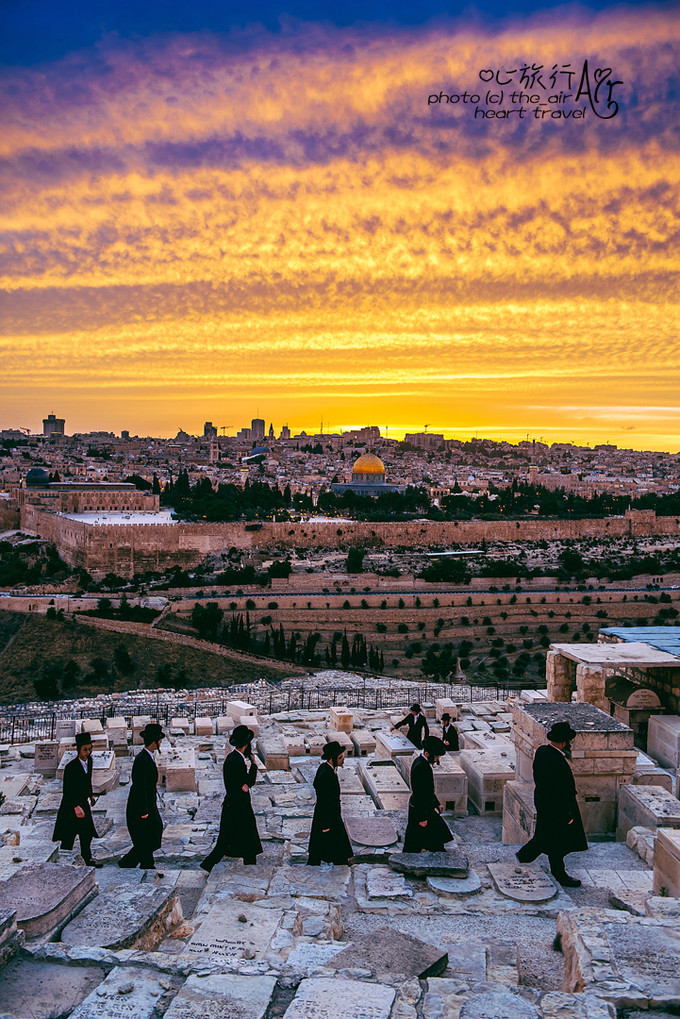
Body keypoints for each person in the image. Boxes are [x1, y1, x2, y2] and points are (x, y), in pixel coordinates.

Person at [516, 720, 587, 887]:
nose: (570, 745)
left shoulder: (543, 751)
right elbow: (557, 791)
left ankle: (523, 857)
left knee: (546, 838)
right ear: (563, 743)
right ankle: (559, 874)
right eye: (569, 742)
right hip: (556, 809)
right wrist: (567, 814)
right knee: (557, 842)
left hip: (545, 804)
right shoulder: (555, 761)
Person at [201, 724, 263, 871]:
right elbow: (247, 783)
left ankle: (249, 867)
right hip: (238, 807)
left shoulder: (232, 757)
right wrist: (254, 765)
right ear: (247, 744)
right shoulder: (237, 762)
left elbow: (245, 785)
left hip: (234, 805)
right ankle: (209, 864)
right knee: (234, 840)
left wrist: (245, 784)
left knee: (239, 840)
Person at [119, 722, 165, 870]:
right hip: (141, 805)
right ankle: (145, 865)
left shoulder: (148, 757)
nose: (161, 742)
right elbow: (140, 787)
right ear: (154, 742)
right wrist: (143, 810)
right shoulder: (141, 759)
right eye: (159, 740)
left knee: (152, 833)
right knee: (147, 837)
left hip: (148, 803)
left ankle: (131, 862)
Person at [52, 731, 102, 867]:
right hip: (71, 805)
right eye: (85, 749)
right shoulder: (71, 767)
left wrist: (91, 795)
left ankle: (87, 859)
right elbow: (67, 790)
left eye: (90, 749)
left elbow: (87, 781)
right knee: (69, 835)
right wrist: (76, 807)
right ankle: (64, 862)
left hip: (83, 802)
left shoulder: (89, 762)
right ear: (78, 749)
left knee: (87, 834)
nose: (88, 752)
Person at [403, 735, 453, 852]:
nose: (437, 759)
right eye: (436, 756)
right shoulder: (421, 767)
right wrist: (422, 817)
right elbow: (419, 793)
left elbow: (428, 790)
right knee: (417, 842)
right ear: (427, 754)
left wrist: (436, 803)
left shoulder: (422, 763)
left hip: (425, 807)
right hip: (421, 810)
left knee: (433, 838)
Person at [307, 741, 353, 866]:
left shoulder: (324, 768)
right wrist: (325, 824)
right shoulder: (327, 775)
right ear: (332, 759)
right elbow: (325, 801)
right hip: (328, 817)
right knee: (334, 844)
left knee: (322, 846)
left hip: (329, 815)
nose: (343, 759)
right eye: (340, 757)